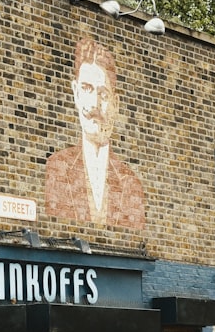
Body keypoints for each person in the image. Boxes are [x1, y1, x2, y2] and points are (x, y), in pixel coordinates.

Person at [45, 38, 145, 229]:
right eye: (87, 89)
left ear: (115, 103)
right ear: (75, 92)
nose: (94, 104)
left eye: (103, 94)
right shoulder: (56, 168)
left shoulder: (132, 184)